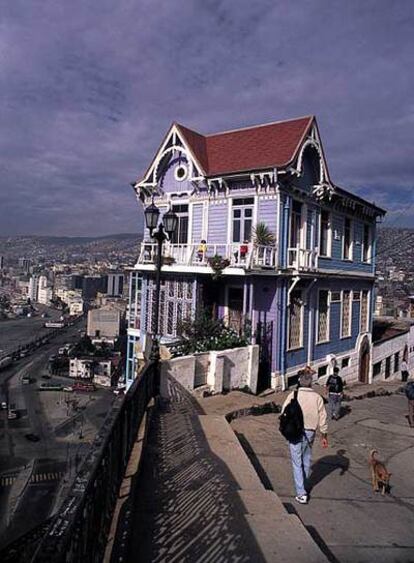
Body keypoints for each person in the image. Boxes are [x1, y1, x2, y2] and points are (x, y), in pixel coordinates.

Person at [281, 366, 328, 504]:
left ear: (300, 381)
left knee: (297, 462)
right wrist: (324, 435)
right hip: (310, 432)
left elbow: (283, 412)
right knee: (306, 459)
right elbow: (323, 417)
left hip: (295, 432)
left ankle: (301, 493)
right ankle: (304, 486)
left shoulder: (293, 395)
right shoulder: (317, 397)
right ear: (311, 382)